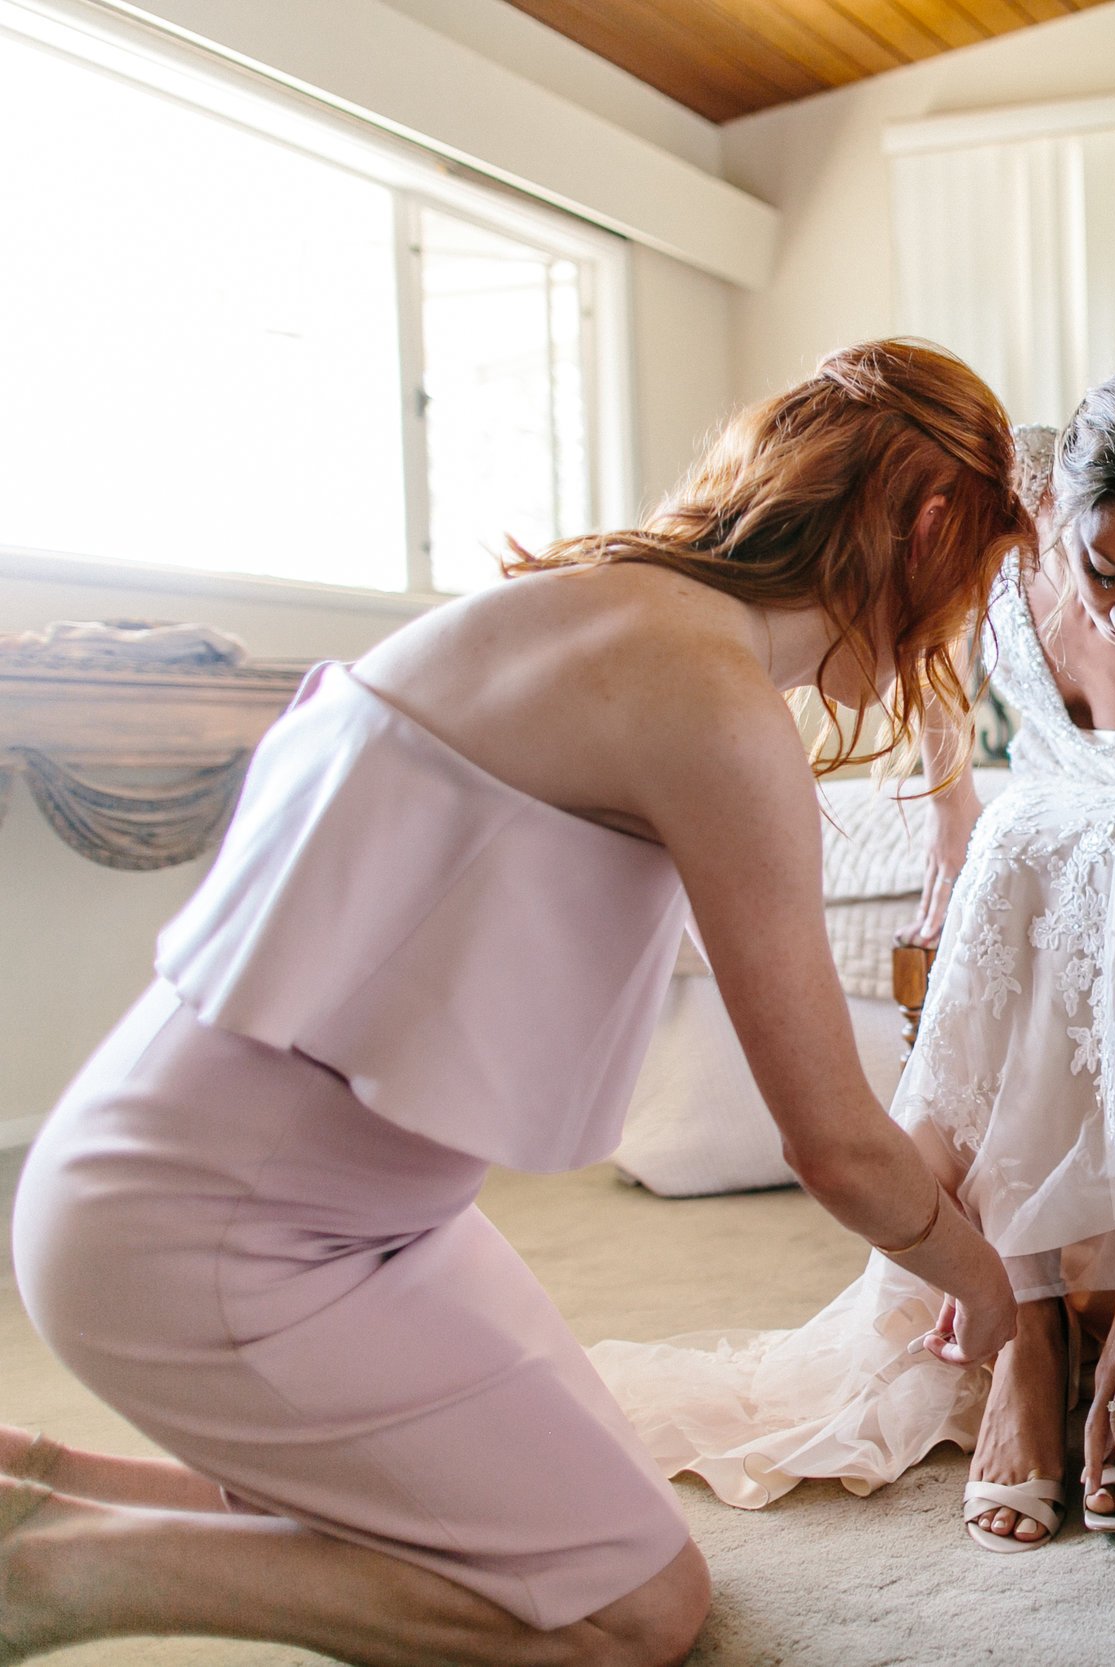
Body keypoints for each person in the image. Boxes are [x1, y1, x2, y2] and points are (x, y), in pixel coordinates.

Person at [1, 340, 1030, 1667]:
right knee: (629, 1607)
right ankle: (59, 1578)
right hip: (221, 1247)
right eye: (975, 581)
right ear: (934, 523)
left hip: (236, 1195)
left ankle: (33, 1485)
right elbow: (832, 1141)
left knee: (525, 1516)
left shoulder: (601, 604)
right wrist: (989, 1286)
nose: (958, 626)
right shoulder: (715, 706)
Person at [593, 350, 1115, 1553]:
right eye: (1099, 567)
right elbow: (919, 617)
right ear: (1056, 503)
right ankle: (1034, 1319)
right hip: (1035, 849)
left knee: (1112, 843)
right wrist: (944, 803)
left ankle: (1114, 1299)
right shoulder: (1004, 480)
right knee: (1025, 829)